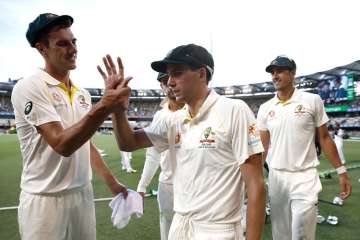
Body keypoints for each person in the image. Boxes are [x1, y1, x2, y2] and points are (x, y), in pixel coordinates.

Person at [97, 43, 266, 240]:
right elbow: (128, 143)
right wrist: (117, 109)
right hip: (180, 226)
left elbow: (256, 186)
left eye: (177, 73)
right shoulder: (174, 119)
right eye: (168, 76)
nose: (169, 82)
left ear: (202, 74)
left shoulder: (233, 110)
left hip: (217, 230)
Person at [11, 13, 129, 240]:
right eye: (62, 44)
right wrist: (105, 105)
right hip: (45, 199)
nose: (73, 49)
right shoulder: (31, 86)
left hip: (82, 195)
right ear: (42, 49)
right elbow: (62, 144)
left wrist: (112, 182)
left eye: (74, 42)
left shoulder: (82, 93)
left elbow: (84, 143)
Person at [257, 55, 352, 240]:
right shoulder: (265, 108)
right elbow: (263, 146)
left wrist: (342, 171)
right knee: (281, 234)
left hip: (305, 176)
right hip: (277, 177)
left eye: (280, 71)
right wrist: (254, 178)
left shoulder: (312, 100)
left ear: (293, 73)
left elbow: (324, 138)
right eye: (273, 73)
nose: (275, 76)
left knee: (301, 232)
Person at [137, 72, 185, 240]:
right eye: (164, 81)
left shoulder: (196, 110)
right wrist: (142, 187)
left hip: (197, 185)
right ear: (162, 86)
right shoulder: (160, 116)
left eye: (173, 77)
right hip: (168, 186)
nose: (170, 84)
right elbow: (153, 154)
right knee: (168, 232)